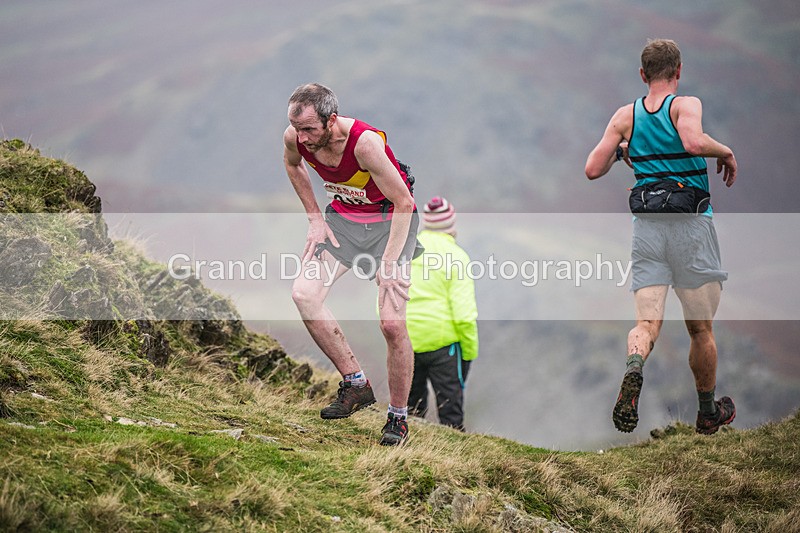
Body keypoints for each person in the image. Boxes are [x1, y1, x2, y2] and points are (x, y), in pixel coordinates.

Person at [584, 39, 738, 435]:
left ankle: (635, 365)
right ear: (678, 71)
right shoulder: (685, 105)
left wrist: (623, 151)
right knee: (700, 330)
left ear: (642, 74)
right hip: (691, 227)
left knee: (646, 323)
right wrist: (725, 151)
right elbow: (692, 142)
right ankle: (707, 412)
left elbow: (592, 168)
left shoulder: (626, 116)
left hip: (648, 230)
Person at [283, 83, 421, 446]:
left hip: (391, 224)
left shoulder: (364, 144)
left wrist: (388, 263)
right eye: (296, 128)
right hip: (344, 222)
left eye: (309, 129)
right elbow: (293, 164)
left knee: (391, 324)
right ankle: (356, 384)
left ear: (331, 120)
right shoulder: (296, 137)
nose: (302, 137)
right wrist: (315, 219)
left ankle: (398, 418)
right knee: (304, 294)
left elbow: (404, 202)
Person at [406, 197, 478, 431]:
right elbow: (464, 315)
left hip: (406, 341)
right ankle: (456, 452)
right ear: (451, 225)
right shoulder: (457, 256)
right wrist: (468, 354)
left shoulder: (407, 250)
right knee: (451, 415)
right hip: (444, 345)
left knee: (410, 412)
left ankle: (406, 448)